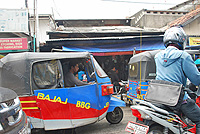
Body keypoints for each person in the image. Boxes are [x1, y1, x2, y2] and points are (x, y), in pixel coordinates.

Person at [154, 26, 200, 133]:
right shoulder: (183, 56)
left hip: (157, 97)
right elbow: (196, 80)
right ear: (181, 40)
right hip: (177, 98)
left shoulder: (158, 56)